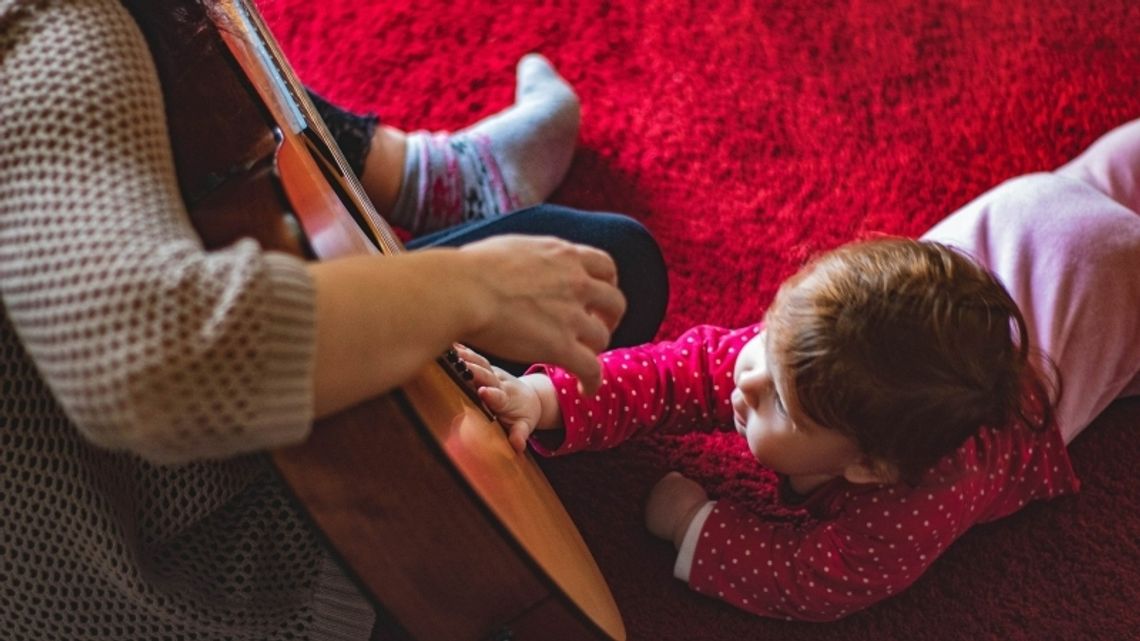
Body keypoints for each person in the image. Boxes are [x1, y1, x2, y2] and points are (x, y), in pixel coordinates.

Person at [0, 1, 667, 640]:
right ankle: (444, 182)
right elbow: (154, 364)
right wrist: (471, 290)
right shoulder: (57, 27)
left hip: (179, 458)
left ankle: (429, 177)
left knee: (598, 271)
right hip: (184, 567)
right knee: (595, 280)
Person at [462, 117, 1140, 621]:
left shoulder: (917, 501)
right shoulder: (794, 361)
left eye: (781, 402)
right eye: (768, 334)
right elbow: (671, 374)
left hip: (1104, 278)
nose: (745, 375)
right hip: (1027, 222)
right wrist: (543, 396)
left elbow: (816, 579)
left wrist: (694, 524)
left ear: (869, 467)